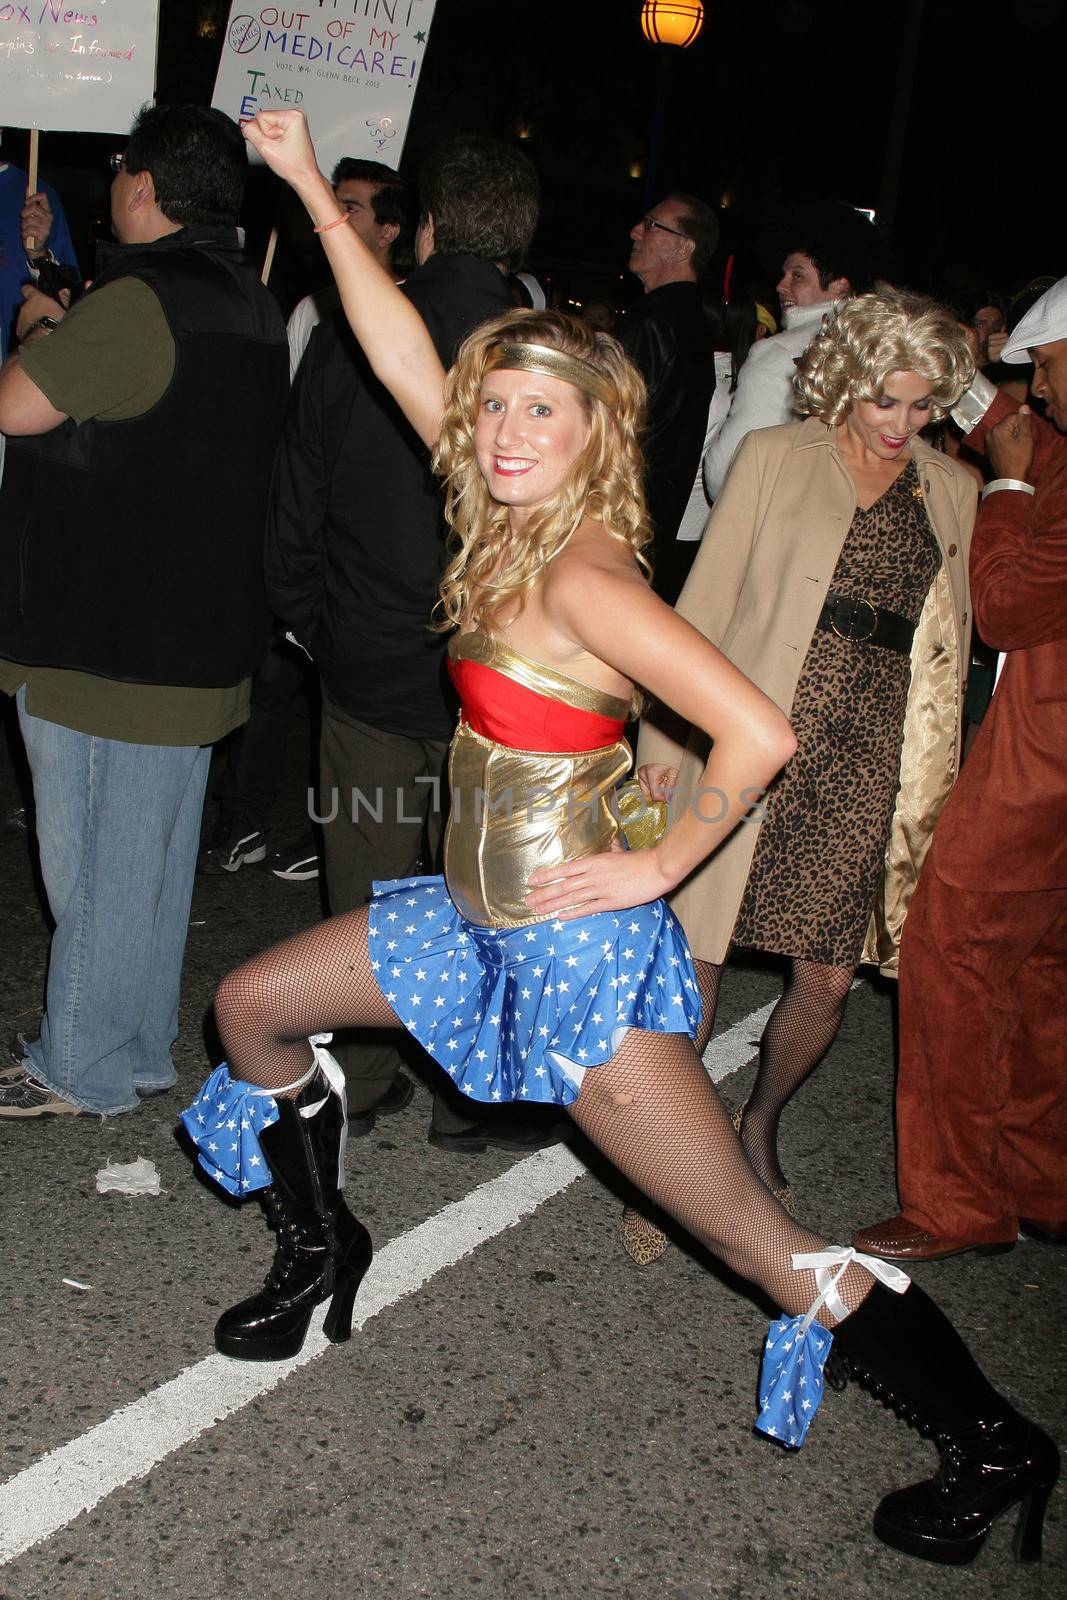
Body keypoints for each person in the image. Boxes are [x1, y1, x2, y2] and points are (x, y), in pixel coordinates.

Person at [177, 110, 1057, 1567]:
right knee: (251, 1009)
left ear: (595, 436)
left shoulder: (583, 574)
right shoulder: (494, 507)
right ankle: (321, 1242)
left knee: (751, 1245)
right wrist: (307, 190)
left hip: (570, 956)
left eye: (544, 412)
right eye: (496, 409)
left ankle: (996, 1442)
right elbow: (403, 352)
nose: (509, 431)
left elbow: (755, 735)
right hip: (464, 921)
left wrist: (654, 867)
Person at [627, 286, 978, 1262]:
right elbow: (696, 617)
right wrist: (659, 763)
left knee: (825, 974)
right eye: (883, 402)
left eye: (921, 404)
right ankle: (668, 1165)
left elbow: (954, 647)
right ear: (842, 385)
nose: (902, 424)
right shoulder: (775, 458)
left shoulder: (951, 489)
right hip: (746, 731)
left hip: (867, 749)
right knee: (692, 956)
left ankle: (757, 1119)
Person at [266, 133, 559, 1152]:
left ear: (428, 222)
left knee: (370, 878)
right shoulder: (552, 355)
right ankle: (472, 1090)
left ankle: (370, 1068)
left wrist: (311, 625)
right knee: (489, 885)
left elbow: (295, 492)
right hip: (506, 670)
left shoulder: (358, 333)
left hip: (371, 658)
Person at [0, 105, 289, 1118]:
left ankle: (75, 1063)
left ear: (147, 187)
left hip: (105, 632)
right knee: (151, 867)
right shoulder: (250, 299)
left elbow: (17, 403)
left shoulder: (140, 302)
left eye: (123, 165)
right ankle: (130, 1052)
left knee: (97, 871)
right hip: (197, 631)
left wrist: (39, 320)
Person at [853, 275, 1067, 1261]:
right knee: (1039, 974)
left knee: (950, 950)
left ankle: (954, 1204)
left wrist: (1010, 486)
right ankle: (1038, 1179)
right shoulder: (1050, 432)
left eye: (1053, 370)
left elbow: (1009, 606)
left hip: (1039, 764)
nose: (1042, 391)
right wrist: (962, 374)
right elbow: (1007, 421)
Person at [703, 200, 883, 500]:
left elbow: (728, 472)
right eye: (784, 275)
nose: (780, 286)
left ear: (839, 285)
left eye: (797, 275)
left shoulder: (778, 354)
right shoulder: (879, 345)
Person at [620, 193, 718, 603]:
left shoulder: (652, 325)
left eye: (651, 225)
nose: (635, 231)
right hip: (653, 531)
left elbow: (611, 433)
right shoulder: (695, 324)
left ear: (684, 247)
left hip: (619, 525)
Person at [286, 156, 412, 379]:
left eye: (350, 209)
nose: (334, 216)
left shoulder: (413, 310)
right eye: (334, 205)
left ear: (387, 232)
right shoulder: (310, 309)